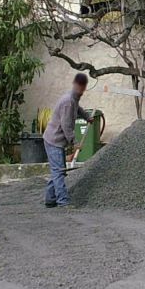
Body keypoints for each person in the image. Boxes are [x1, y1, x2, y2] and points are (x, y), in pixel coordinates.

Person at [42, 73, 92, 207]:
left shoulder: (74, 98)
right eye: (81, 87)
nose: (82, 91)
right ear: (77, 85)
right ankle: (63, 202)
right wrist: (75, 143)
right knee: (59, 172)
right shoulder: (68, 101)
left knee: (58, 170)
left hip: (55, 140)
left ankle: (50, 199)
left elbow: (78, 109)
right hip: (54, 140)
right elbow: (66, 126)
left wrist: (87, 117)